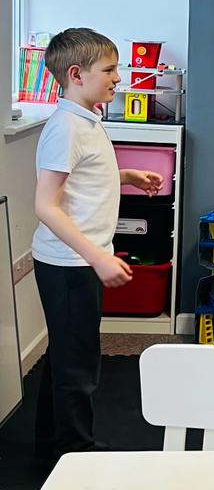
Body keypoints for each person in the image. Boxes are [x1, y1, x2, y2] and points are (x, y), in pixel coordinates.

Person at [32, 28, 163, 459]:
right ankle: (74, 454)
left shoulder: (87, 120)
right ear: (76, 74)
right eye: (109, 70)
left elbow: (81, 179)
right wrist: (98, 258)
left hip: (75, 263)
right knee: (78, 366)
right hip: (70, 265)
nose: (118, 78)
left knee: (65, 355)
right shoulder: (66, 128)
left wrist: (126, 177)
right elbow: (46, 206)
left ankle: (52, 443)